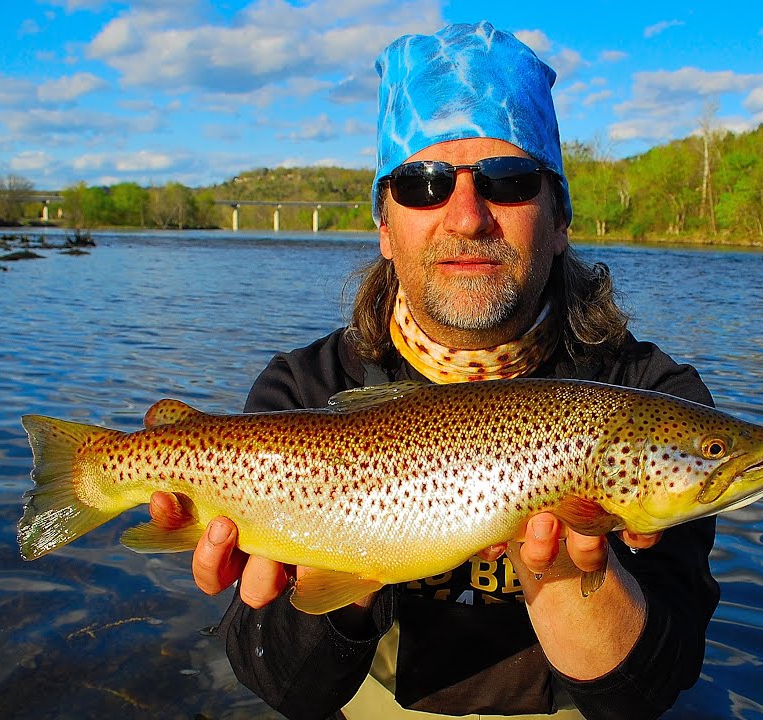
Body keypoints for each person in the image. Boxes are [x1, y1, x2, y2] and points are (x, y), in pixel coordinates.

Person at [152, 21, 719, 720]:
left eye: (508, 181)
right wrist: (338, 566)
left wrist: (573, 570)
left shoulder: (651, 396)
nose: (467, 215)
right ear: (385, 227)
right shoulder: (302, 391)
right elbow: (279, 684)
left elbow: (656, 687)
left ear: (560, 217)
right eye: (422, 185)